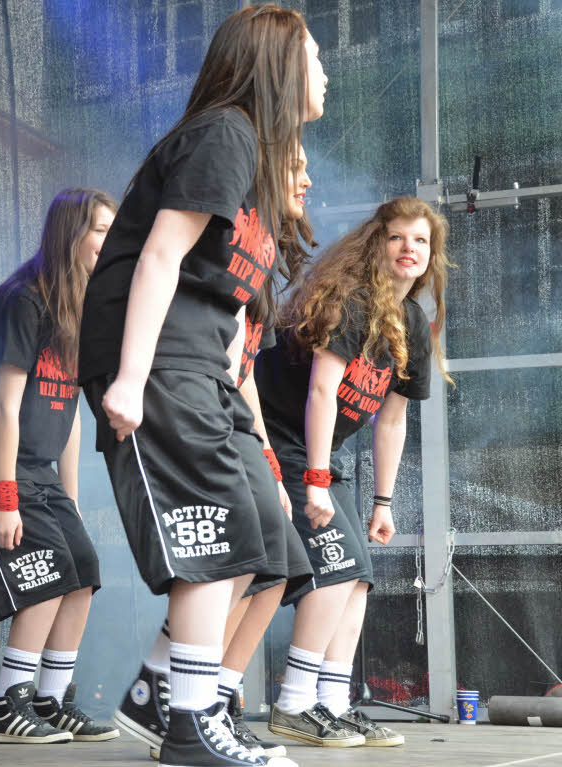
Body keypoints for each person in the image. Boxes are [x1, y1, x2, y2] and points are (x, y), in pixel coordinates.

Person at [79, 5, 327, 766]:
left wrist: (240, 412)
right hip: (154, 360)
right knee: (216, 530)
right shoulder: (226, 134)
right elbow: (159, 256)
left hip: (198, 367)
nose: (326, 73)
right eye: (316, 58)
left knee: (261, 533)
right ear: (280, 64)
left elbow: (219, 301)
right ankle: (189, 720)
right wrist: (129, 377)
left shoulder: (253, 160)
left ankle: (162, 688)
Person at [255, 196, 451, 749]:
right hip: (278, 438)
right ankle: (294, 703)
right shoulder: (352, 299)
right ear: (377, 243)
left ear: (430, 254)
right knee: (335, 568)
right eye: (397, 237)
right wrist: (316, 478)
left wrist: (383, 503)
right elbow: (321, 389)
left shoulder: (413, 321)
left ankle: (334, 704)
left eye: (420, 240)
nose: (408, 248)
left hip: (319, 452)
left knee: (358, 575)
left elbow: (392, 420)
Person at [0, 188, 120, 744]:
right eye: (100, 231)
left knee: (83, 569)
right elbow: (6, 406)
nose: (109, 243)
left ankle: (50, 698)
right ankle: (5, 707)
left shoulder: (79, 308)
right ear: (71, 235)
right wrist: (5, 495)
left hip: (38, 466)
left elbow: (66, 416)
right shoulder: (25, 299)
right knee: (46, 575)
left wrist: (69, 504)